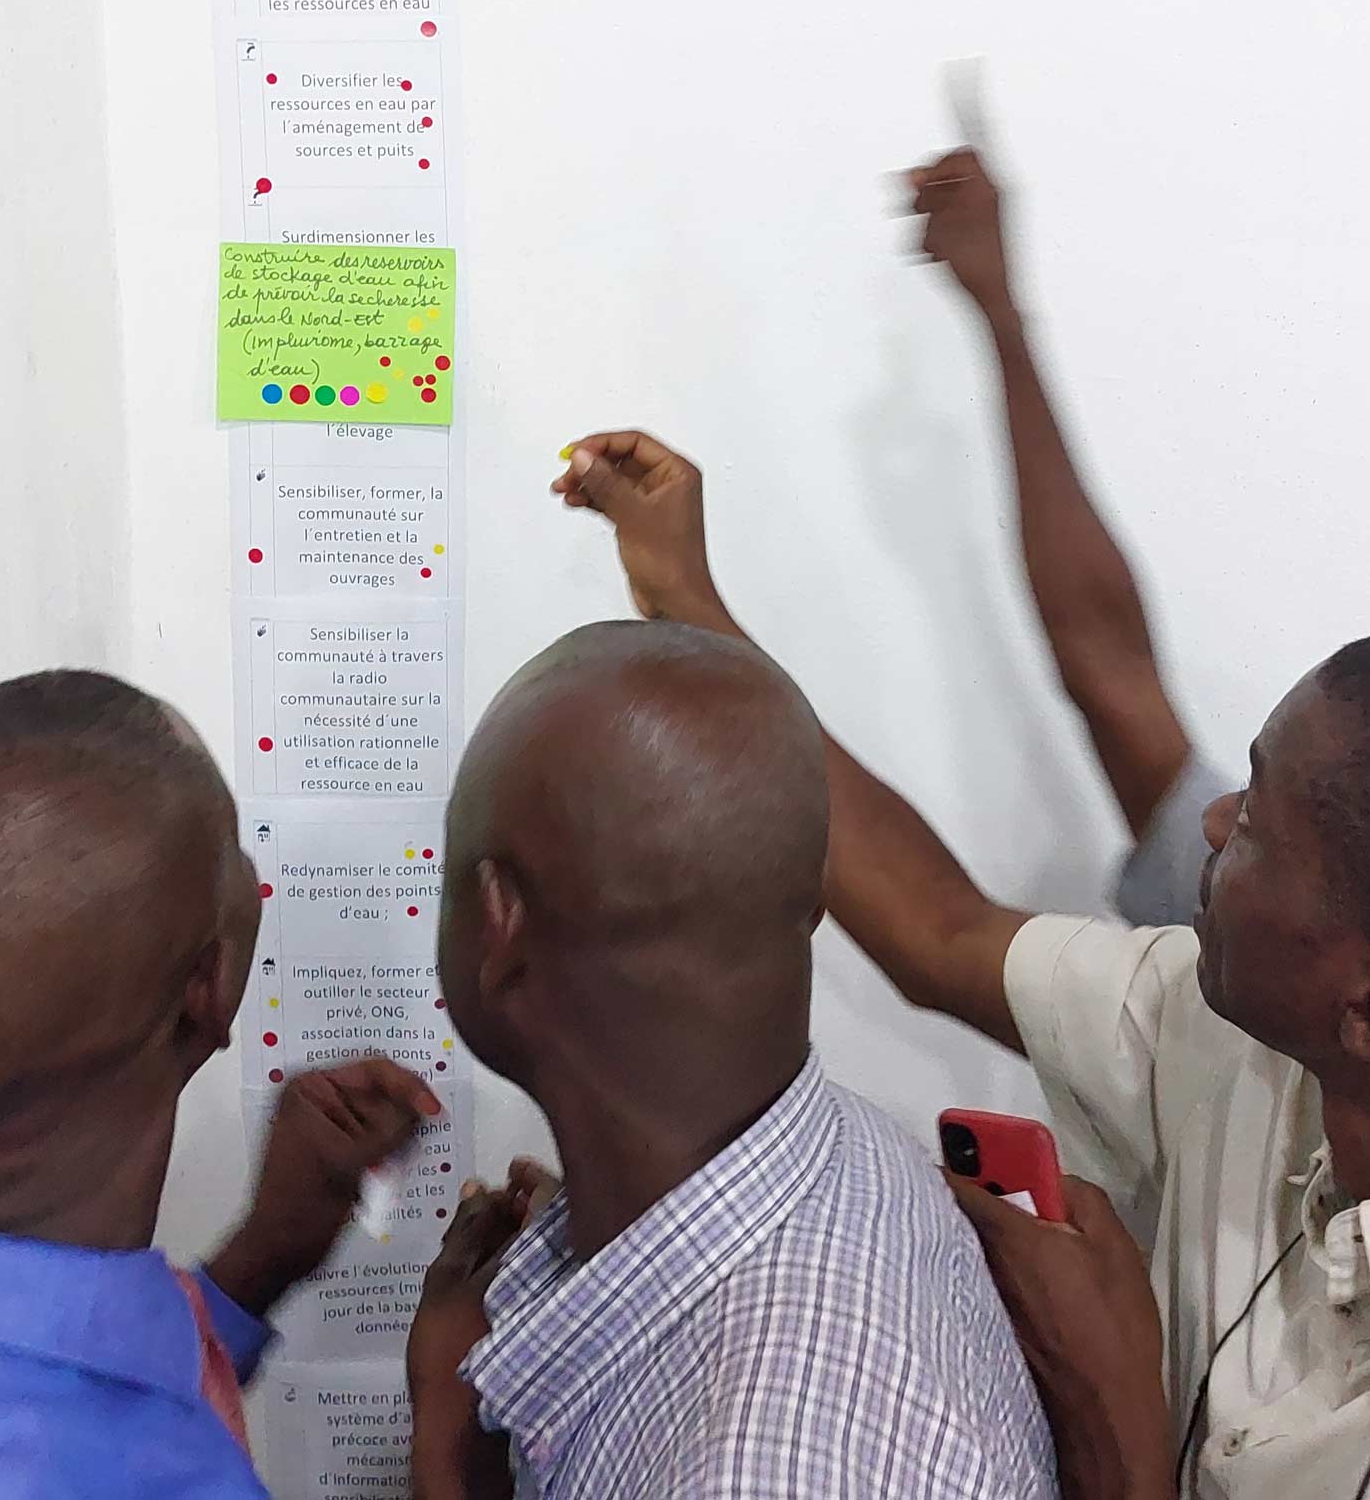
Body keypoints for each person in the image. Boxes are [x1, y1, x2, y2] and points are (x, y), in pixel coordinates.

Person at [557, 434, 1370, 1496]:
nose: (1212, 824)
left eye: (1259, 820)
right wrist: (683, 600)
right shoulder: (1262, 1051)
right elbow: (942, 934)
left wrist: (1112, 1425)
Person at [0, 669, 443, 1498]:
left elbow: (41, 1368)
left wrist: (260, 1262)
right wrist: (451, 1445)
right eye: (234, 855)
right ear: (210, 987)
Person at [405, 621, 1059, 1500]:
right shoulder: (862, 1158)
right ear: (807, 895)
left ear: (498, 923)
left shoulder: (754, 1468)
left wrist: (445, 1467)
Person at [903, 146, 1221, 928]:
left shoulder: (1282, 952)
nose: (1219, 823)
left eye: (1267, 816)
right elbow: (1106, 666)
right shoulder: (1304, 930)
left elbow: (942, 951)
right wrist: (1001, 317)